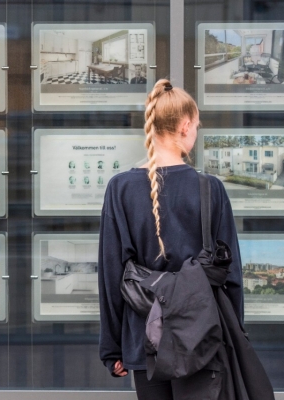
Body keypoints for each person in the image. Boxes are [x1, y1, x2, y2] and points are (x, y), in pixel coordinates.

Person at [98, 79, 243, 399]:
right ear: (185, 126)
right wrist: (234, 336)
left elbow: (112, 273)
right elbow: (230, 275)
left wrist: (112, 347)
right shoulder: (210, 189)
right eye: (197, 126)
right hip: (202, 336)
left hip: (143, 338)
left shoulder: (119, 188)